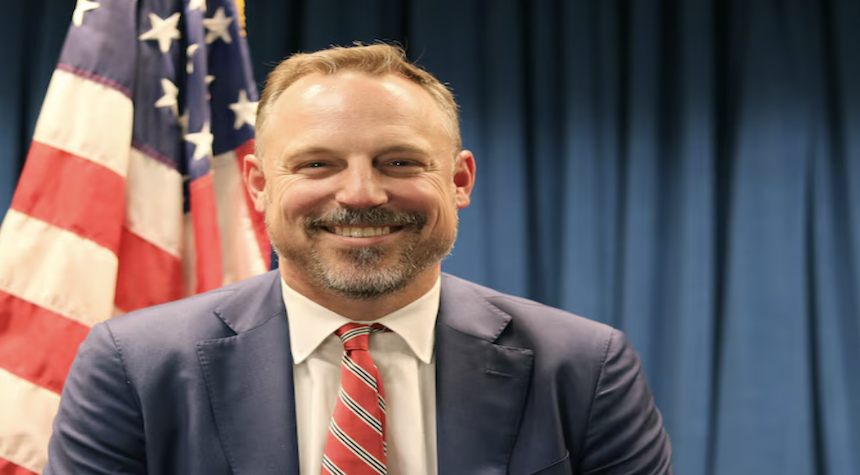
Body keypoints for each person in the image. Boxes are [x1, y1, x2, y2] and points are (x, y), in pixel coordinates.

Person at [45, 44, 673, 475]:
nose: (361, 194)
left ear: (459, 180)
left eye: (399, 162)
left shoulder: (585, 368)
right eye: (317, 164)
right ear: (259, 185)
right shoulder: (135, 367)